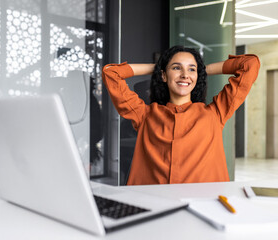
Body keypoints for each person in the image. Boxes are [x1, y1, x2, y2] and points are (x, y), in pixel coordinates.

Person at [102, 46, 260, 185]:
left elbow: (249, 64)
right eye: (176, 68)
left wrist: (204, 70)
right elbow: (111, 73)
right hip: (156, 205)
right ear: (164, 76)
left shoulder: (215, 113)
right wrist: (158, 68)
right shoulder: (144, 115)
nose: (185, 74)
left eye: (192, 69)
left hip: (205, 204)